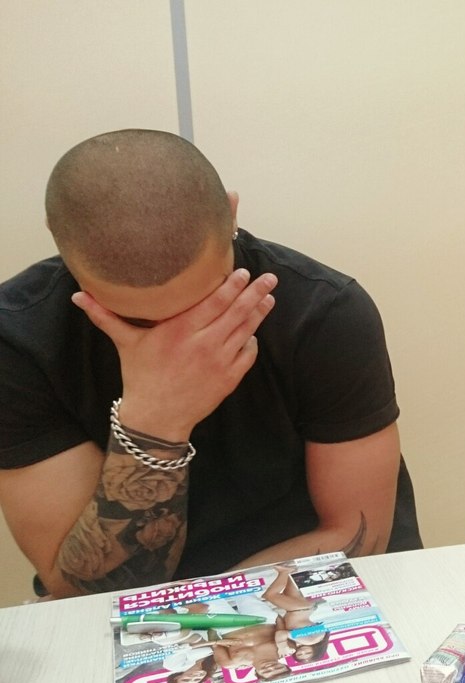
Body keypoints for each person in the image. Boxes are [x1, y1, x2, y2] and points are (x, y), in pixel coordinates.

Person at [0, 129, 423, 599]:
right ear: (60, 240)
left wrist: (201, 616)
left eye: (208, 302)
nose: (180, 338)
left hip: (308, 601)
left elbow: (357, 535)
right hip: (136, 621)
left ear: (232, 213)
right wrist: (155, 422)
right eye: (134, 320)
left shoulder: (323, 312)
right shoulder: (18, 342)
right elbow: (80, 590)